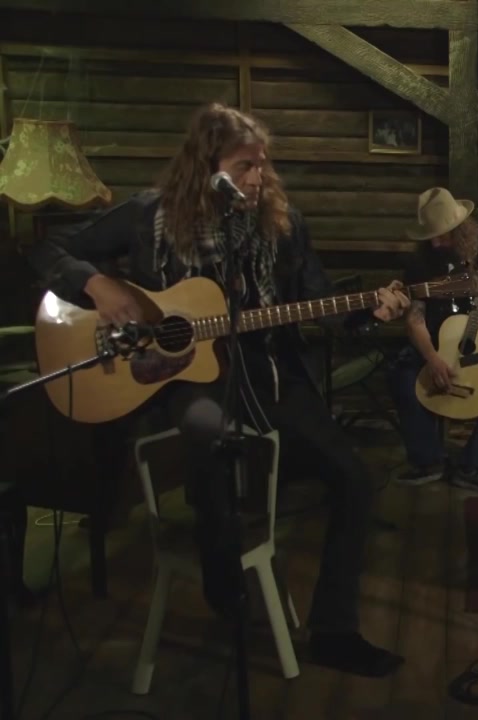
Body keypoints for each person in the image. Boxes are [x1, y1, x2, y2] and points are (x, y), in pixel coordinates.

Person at [27, 103, 408, 677]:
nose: (258, 177)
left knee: (353, 479)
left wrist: (369, 312)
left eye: (263, 164)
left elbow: (320, 300)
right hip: (177, 373)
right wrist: (99, 284)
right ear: (206, 168)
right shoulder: (148, 215)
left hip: (267, 371)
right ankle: (222, 574)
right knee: (208, 431)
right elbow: (47, 248)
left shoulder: (283, 224)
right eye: (243, 166)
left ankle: (334, 631)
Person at [387, 187, 478, 494]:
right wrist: (432, 358)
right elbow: (414, 318)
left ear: (461, 227)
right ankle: (428, 460)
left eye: (443, 235)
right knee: (402, 376)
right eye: (430, 236)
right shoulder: (421, 262)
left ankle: (477, 465)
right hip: (440, 338)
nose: (436, 243)